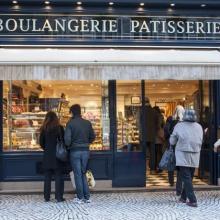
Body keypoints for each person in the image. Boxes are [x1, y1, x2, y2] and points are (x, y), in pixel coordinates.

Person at [170, 109, 203, 207]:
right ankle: (183, 197)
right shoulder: (199, 126)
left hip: (182, 154)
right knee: (189, 176)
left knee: (186, 177)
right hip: (195, 154)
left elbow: (172, 141)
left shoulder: (179, 125)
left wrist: (172, 139)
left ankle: (193, 200)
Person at [65, 104, 95, 204]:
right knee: (83, 173)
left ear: (72, 112)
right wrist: (86, 143)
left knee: (77, 174)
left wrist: (70, 146)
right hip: (86, 151)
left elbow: (67, 140)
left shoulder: (70, 123)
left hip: (75, 151)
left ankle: (80, 197)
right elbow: (93, 137)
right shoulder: (87, 123)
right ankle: (87, 197)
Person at [39, 111, 65, 203]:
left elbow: (41, 143)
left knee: (47, 177)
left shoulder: (43, 129)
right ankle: (59, 197)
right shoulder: (60, 128)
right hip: (58, 156)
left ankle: (46, 197)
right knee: (58, 177)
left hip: (47, 156)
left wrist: (47, 149)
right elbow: (63, 141)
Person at [164, 104, 185, 194]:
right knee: (180, 167)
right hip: (181, 147)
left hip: (172, 145)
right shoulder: (185, 122)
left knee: (171, 164)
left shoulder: (170, 120)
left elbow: (166, 132)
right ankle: (179, 187)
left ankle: (171, 181)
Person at [144, 97, 157, 171]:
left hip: (143, 136)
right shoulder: (154, 111)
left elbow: (138, 123)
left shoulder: (141, 111)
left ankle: (144, 168)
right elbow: (157, 123)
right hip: (152, 135)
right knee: (152, 153)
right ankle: (152, 169)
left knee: (143, 153)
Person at [153, 106, 165, 172]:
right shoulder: (159, 116)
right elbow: (159, 127)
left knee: (155, 153)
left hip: (154, 138)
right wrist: (162, 137)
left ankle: (154, 167)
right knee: (159, 153)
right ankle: (159, 167)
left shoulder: (153, 117)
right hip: (159, 138)